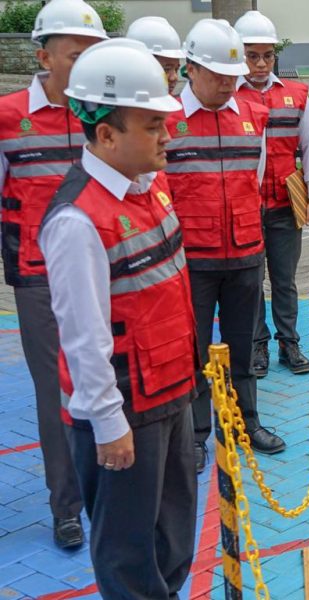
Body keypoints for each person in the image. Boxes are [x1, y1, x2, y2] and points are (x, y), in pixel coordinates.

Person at [38, 38, 197, 599]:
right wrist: (109, 424)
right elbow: (83, 338)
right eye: (154, 125)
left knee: (174, 537)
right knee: (128, 554)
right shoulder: (78, 221)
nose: (168, 136)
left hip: (171, 392)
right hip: (126, 410)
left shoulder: (148, 189)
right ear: (106, 134)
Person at [0, 0, 107, 550]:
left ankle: (109, 491)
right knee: (56, 393)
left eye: (94, 52)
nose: (87, 62)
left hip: (109, 272)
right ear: (44, 56)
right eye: (76, 53)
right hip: (38, 278)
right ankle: (66, 506)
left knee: (109, 379)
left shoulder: (104, 114)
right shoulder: (6, 115)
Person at [165, 18, 286, 474]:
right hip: (191, 260)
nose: (226, 84)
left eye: (231, 76)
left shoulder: (254, 115)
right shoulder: (168, 120)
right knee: (194, 351)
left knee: (242, 345)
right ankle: (196, 434)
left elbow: (253, 180)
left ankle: (244, 423)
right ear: (189, 68)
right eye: (216, 75)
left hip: (244, 253)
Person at [233, 10, 309, 378]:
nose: (259, 63)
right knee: (250, 280)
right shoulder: (229, 95)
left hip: (286, 203)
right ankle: (257, 344)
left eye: (266, 55)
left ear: (275, 56)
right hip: (246, 206)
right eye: (251, 55)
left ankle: (288, 342)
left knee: (284, 278)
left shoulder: (295, 95)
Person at [125, 16, 184, 95]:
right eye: (166, 69)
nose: (174, 77)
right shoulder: (119, 105)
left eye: (176, 69)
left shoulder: (175, 105)